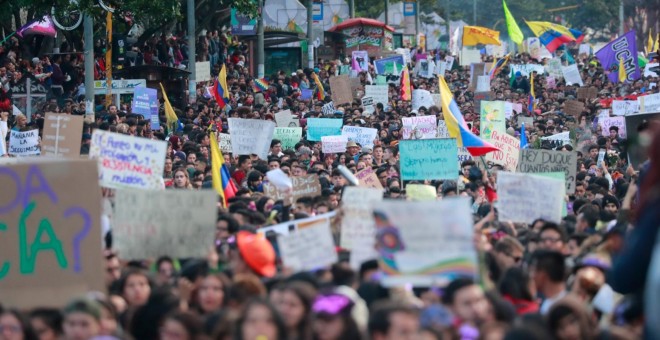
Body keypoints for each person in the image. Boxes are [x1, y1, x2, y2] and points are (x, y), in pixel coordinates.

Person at [529, 250, 567, 314]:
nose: (532, 276)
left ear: (542, 275)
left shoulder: (565, 307)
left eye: (535, 271)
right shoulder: (548, 302)